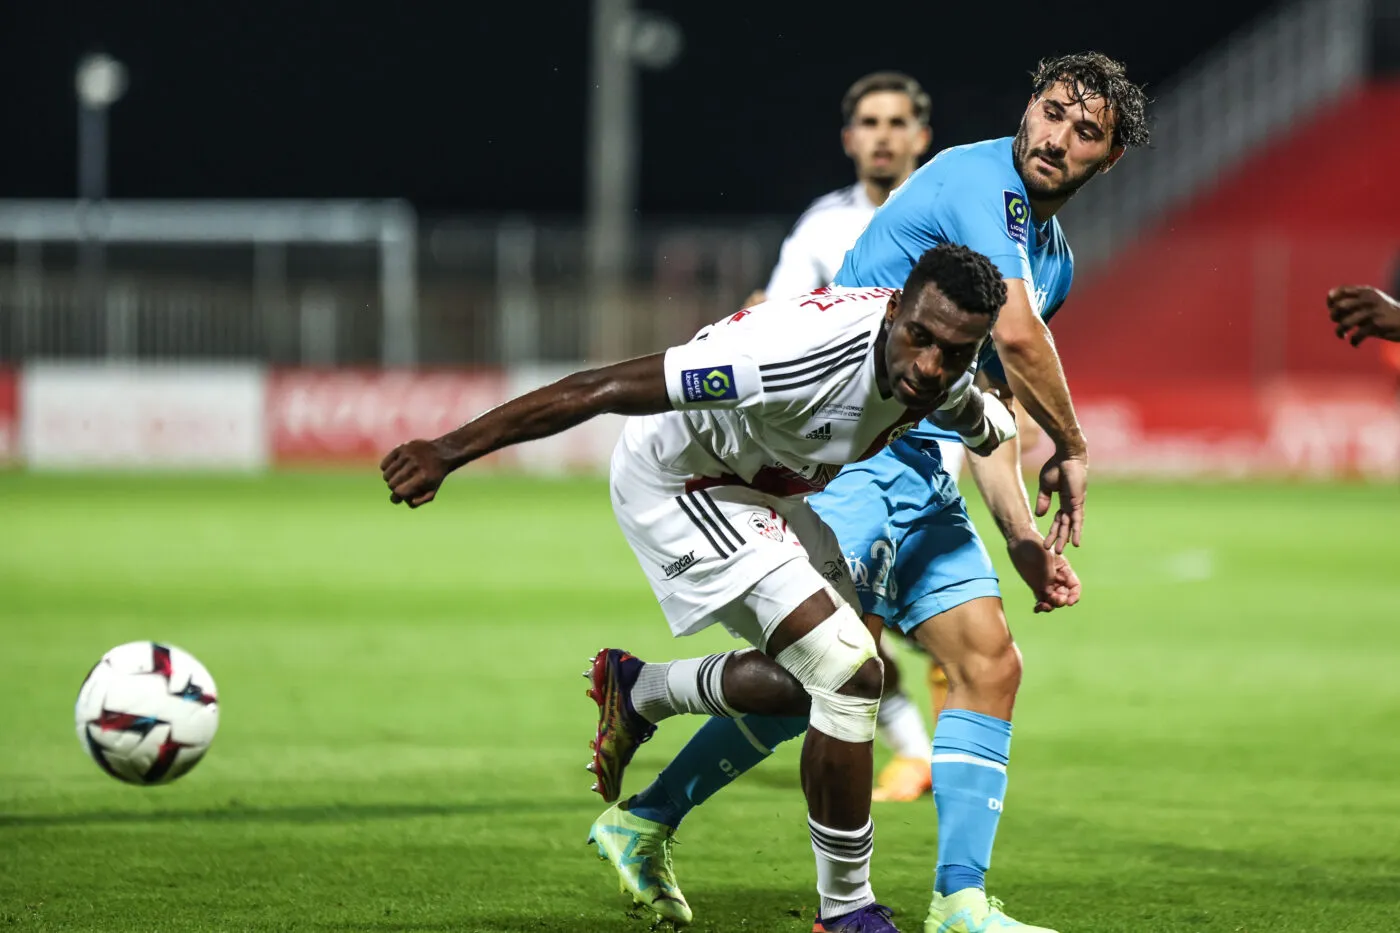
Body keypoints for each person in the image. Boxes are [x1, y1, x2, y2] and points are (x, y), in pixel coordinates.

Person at [590, 52, 1149, 933]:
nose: (1056, 137)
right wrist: (1075, 446)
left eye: (1085, 132)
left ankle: (960, 901)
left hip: (926, 473)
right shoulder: (977, 180)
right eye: (1051, 111)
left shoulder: (1055, 262)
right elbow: (1015, 335)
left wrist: (1019, 536)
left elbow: (990, 406)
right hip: (855, 453)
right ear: (1027, 109)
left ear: (1107, 158)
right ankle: (650, 723)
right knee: (833, 673)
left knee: (988, 664)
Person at [381, 244, 1018, 933]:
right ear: (894, 311)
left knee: (821, 688)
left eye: (954, 352)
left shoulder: (943, 375)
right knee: (849, 671)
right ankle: (846, 912)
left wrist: (1022, 439)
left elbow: (974, 415)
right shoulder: (790, 358)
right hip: (682, 482)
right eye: (920, 337)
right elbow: (600, 388)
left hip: (764, 487)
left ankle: (642, 694)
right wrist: (446, 451)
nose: (929, 365)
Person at [746, 69, 943, 803]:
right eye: (870, 122)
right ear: (849, 138)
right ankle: (918, 750)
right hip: (846, 450)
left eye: (896, 122)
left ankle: (926, 745)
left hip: (931, 446)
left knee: (909, 614)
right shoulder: (823, 225)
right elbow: (776, 310)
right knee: (849, 617)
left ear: (921, 136)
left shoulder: (947, 213)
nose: (883, 136)